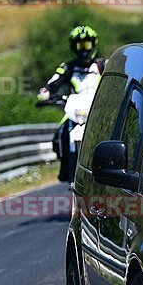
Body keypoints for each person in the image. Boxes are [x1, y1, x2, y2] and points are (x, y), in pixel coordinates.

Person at [37, 25, 106, 182]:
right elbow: (53, 82)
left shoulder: (104, 65)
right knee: (59, 136)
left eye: (86, 45)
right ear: (73, 47)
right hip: (76, 111)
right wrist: (45, 92)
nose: (83, 50)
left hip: (100, 110)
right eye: (79, 45)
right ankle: (67, 171)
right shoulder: (68, 67)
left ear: (93, 44)